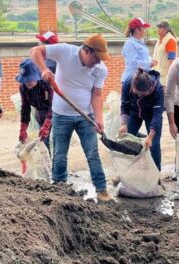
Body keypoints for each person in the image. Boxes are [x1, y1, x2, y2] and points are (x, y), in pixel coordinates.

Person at [30, 34, 112, 202]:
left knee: (92, 153)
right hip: (61, 115)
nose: (98, 62)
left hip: (86, 116)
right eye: (96, 58)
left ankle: (101, 189)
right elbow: (36, 51)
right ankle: (59, 189)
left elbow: (96, 95)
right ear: (87, 51)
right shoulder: (65, 51)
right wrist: (44, 69)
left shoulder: (100, 69)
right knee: (60, 154)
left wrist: (99, 118)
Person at [119, 68, 164, 171]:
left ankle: (156, 174)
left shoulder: (158, 89)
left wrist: (151, 136)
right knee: (127, 140)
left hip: (151, 114)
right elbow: (125, 104)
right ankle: (127, 171)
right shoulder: (127, 83)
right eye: (137, 93)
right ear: (133, 86)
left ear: (149, 88)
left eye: (143, 94)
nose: (139, 96)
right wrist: (123, 123)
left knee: (154, 144)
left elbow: (157, 115)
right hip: (134, 113)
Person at [16, 58, 53, 150]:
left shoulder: (47, 84)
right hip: (40, 112)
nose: (27, 82)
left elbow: (53, 106)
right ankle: (47, 162)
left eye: (30, 79)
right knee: (43, 141)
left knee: (56, 140)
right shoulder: (23, 87)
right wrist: (23, 128)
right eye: (25, 80)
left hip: (55, 112)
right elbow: (25, 107)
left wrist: (47, 124)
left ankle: (57, 162)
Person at [121, 17, 158, 83]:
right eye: (143, 28)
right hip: (131, 81)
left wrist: (150, 60)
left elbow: (143, 57)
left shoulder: (139, 42)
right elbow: (133, 63)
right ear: (137, 30)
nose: (145, 30)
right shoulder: (130, 43)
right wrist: (149, 63)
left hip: (139, 80)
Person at [153, 21, 177, 85]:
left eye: (160, 28)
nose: (158, 30)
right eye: (158, 28)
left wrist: (169, 77)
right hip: (157, 74)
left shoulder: (170, 40)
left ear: (166, 29)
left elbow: (171, 59)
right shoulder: (160, 40)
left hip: (165, 76)